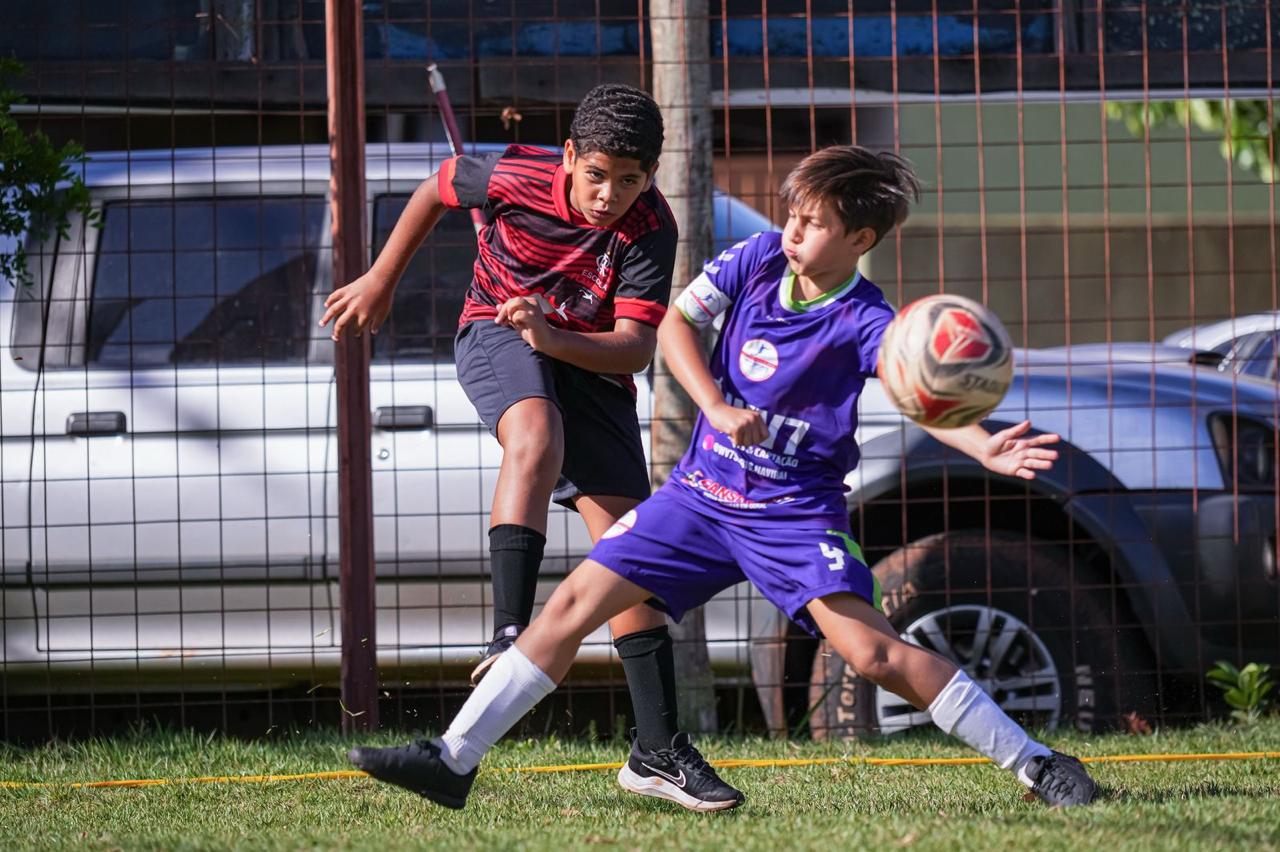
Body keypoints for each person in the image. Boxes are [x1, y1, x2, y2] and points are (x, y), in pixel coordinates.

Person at [347, 145, 1099, 811]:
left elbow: (919, 394)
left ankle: (1036, 762)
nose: (793, 232)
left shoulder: (871, 321)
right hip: (701, 496)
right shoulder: (758, 258)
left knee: (872, 655)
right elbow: (674, 326)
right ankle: (452, 761)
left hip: (793, 515)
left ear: (860, 240)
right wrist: (714, 404)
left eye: (812, 224)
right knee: (573, 603)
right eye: (792, 216)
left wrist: (982, 446)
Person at [322, 83, 742, 810]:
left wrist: (555, 335)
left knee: (628, 559)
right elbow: (438, 187)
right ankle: (507, 628)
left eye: (630, 180)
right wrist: (382, 276)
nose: (610, 195)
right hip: (496, 330)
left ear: (651, 177)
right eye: (597, 175)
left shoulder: (650, 227)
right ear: (571, 156)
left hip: (587, 361)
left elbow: (635, 349)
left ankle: (657, 750)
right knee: (535, 433)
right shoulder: (515, 175)